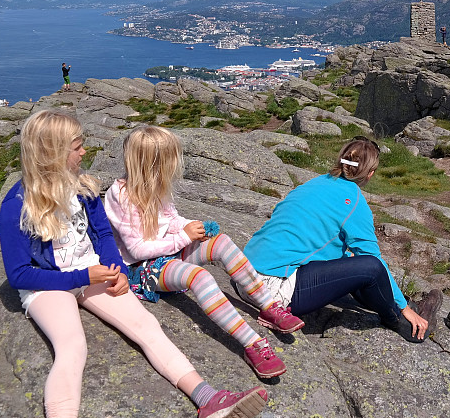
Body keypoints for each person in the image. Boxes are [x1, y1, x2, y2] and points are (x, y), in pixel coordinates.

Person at [0, 110, 267, 418]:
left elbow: (102, 236)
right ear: (52, 152)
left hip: (95, 272)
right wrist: (84, 275)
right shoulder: (17, 205)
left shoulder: (83, 189)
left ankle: (208, 400)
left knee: (148, 328)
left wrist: (118, 272)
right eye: (77, 147)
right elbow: (19, 273)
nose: (84, 152)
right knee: (72, 346)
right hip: (47, 282)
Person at [105, 125, 302, 379]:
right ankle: (253, 344)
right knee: (200, 278)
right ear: (154, 165)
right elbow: (138, 249)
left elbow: (170, 218)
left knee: (221, 242)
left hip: (166, 252)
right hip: (142, 269)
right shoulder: (121, 195)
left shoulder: (155, 185)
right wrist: (184, 238)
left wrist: (187, 226)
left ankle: (268, 305)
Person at [242, 136, 443, 343]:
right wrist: (402, 307)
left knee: (349, 259)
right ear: (370, 174)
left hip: (243, 274)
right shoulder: (354, 200)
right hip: (272, 292)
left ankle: (399, 301)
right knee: (370, 267)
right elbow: (373, 262)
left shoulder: (314, 182)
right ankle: (399, 319)